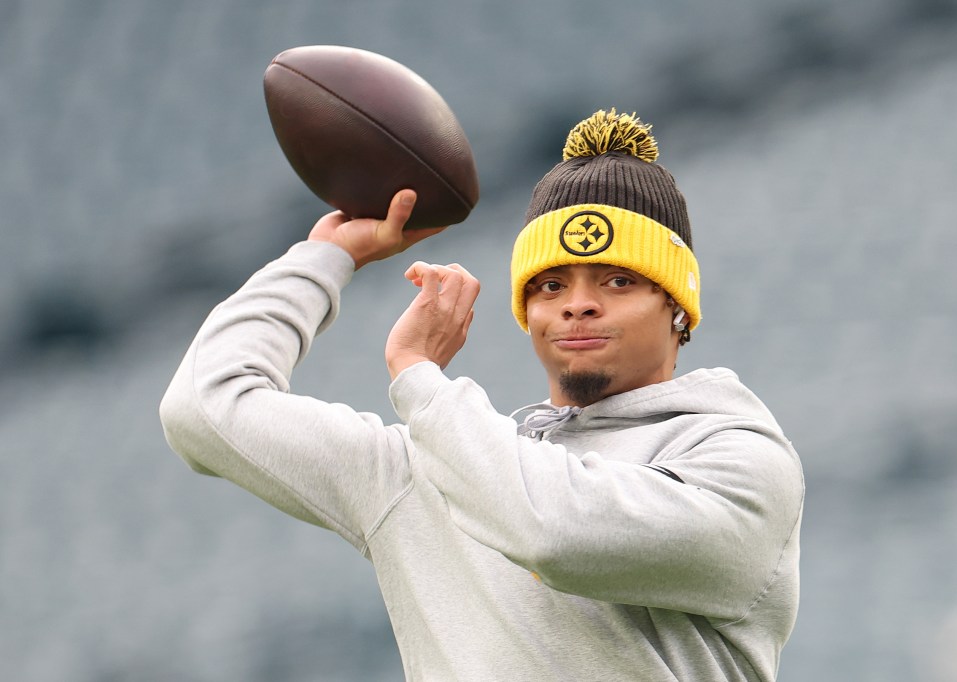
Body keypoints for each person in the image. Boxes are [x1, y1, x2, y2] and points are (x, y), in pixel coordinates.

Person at [160, 109, 804, 681]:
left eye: (616, 280)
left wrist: (420, 378)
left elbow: (555, 531)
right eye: (550, 285)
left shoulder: (740, 463)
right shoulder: (431, 471)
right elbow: (205, 407)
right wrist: (323, 259)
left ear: (678, 308)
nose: (578, 304)